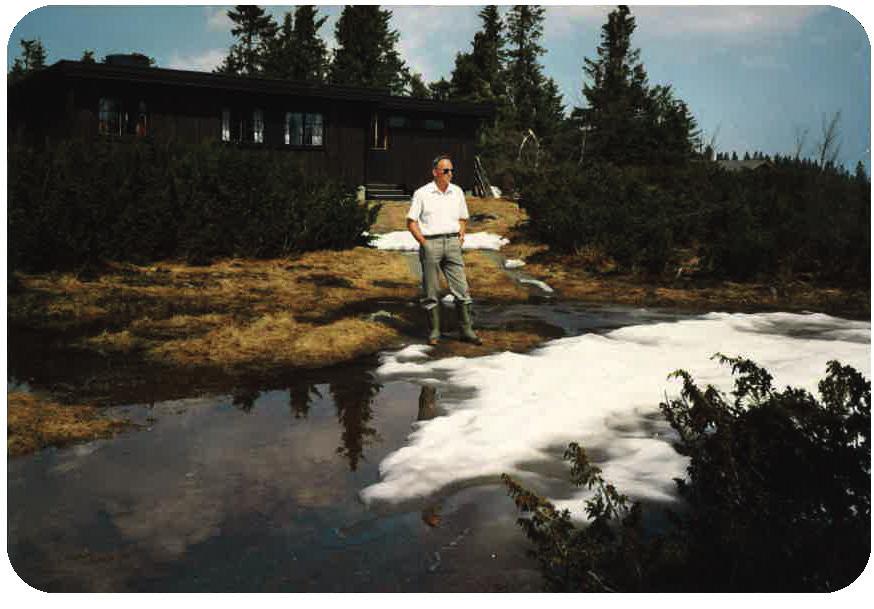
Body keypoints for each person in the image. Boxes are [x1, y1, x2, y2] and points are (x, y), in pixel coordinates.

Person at [406, 155, 482, 346]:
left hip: (453, 243)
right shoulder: (422, 193)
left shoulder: (457, 192)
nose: (450, 174)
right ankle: (434, 332)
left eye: (451, 170)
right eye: (445, 170)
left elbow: (463, 218)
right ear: (435, 172)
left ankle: (466, 330)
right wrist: (424, 242)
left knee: (462, 289)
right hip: (431, 243)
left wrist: (461, 236)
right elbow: (411, 221)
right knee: (431, 290)